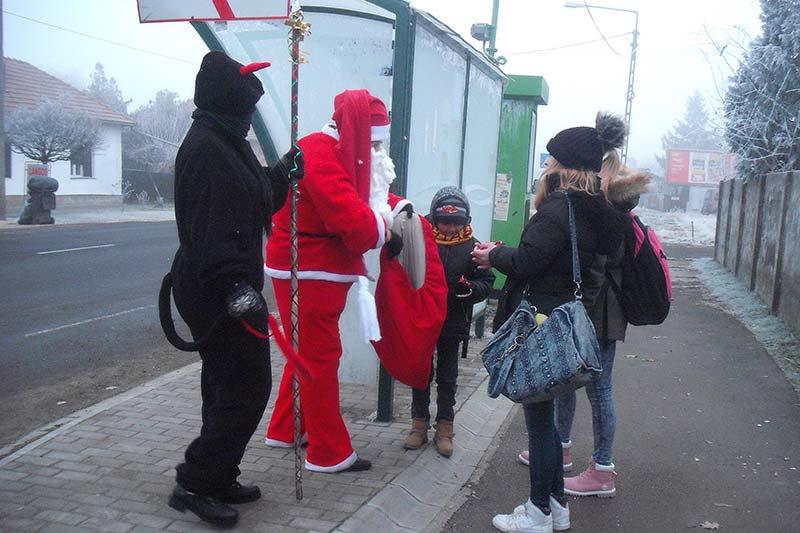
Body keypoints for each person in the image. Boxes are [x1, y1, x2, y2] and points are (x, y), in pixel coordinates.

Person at [472, 112, 629, 532]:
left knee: (539, 423)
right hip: (567, 323)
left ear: (564, 165)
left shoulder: (560, 208)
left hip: (541, 324)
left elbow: (528, 261)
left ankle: (539, 510)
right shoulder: (596, 209)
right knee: (543, 421)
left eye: (550, 159)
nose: (545, 166)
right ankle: (557, 506)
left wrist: (493, 256)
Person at [166, 51, 301, 527]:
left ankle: (219, 474)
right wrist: (233, 288)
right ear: (228, 108)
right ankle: (196, 481)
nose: (249, 122)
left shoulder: (228, 141)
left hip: (228, 283)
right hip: (215, 287)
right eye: (245, 112)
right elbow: (207, 228)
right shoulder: (205, 147)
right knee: (247, 386)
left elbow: (255, 196)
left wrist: (283, 171)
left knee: (224, 384)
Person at [264, 89, 402, 473]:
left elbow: (366, 192)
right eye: (375, 140)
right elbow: (349, 216)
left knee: (305, 352)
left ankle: (285, 429)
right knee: (320, 358)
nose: (377, 149)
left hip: (311, 268)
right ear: (360, 130)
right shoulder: (321, 152)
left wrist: (396, 208)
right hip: (306, 269)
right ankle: (328, 453)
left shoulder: (337, 148)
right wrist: (384, 231)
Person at [403, 187, 494, 457]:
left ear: (465, 222)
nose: (451, 227)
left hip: (454, 321)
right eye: (445, 221)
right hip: (422, 319)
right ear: (433, 217)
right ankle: (419, 425)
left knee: (447, 376)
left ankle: (445, 428)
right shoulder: (420, 241)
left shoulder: (473, 247)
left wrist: (472, 290)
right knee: (420, 373)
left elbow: (487, 282)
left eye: (457, 222)